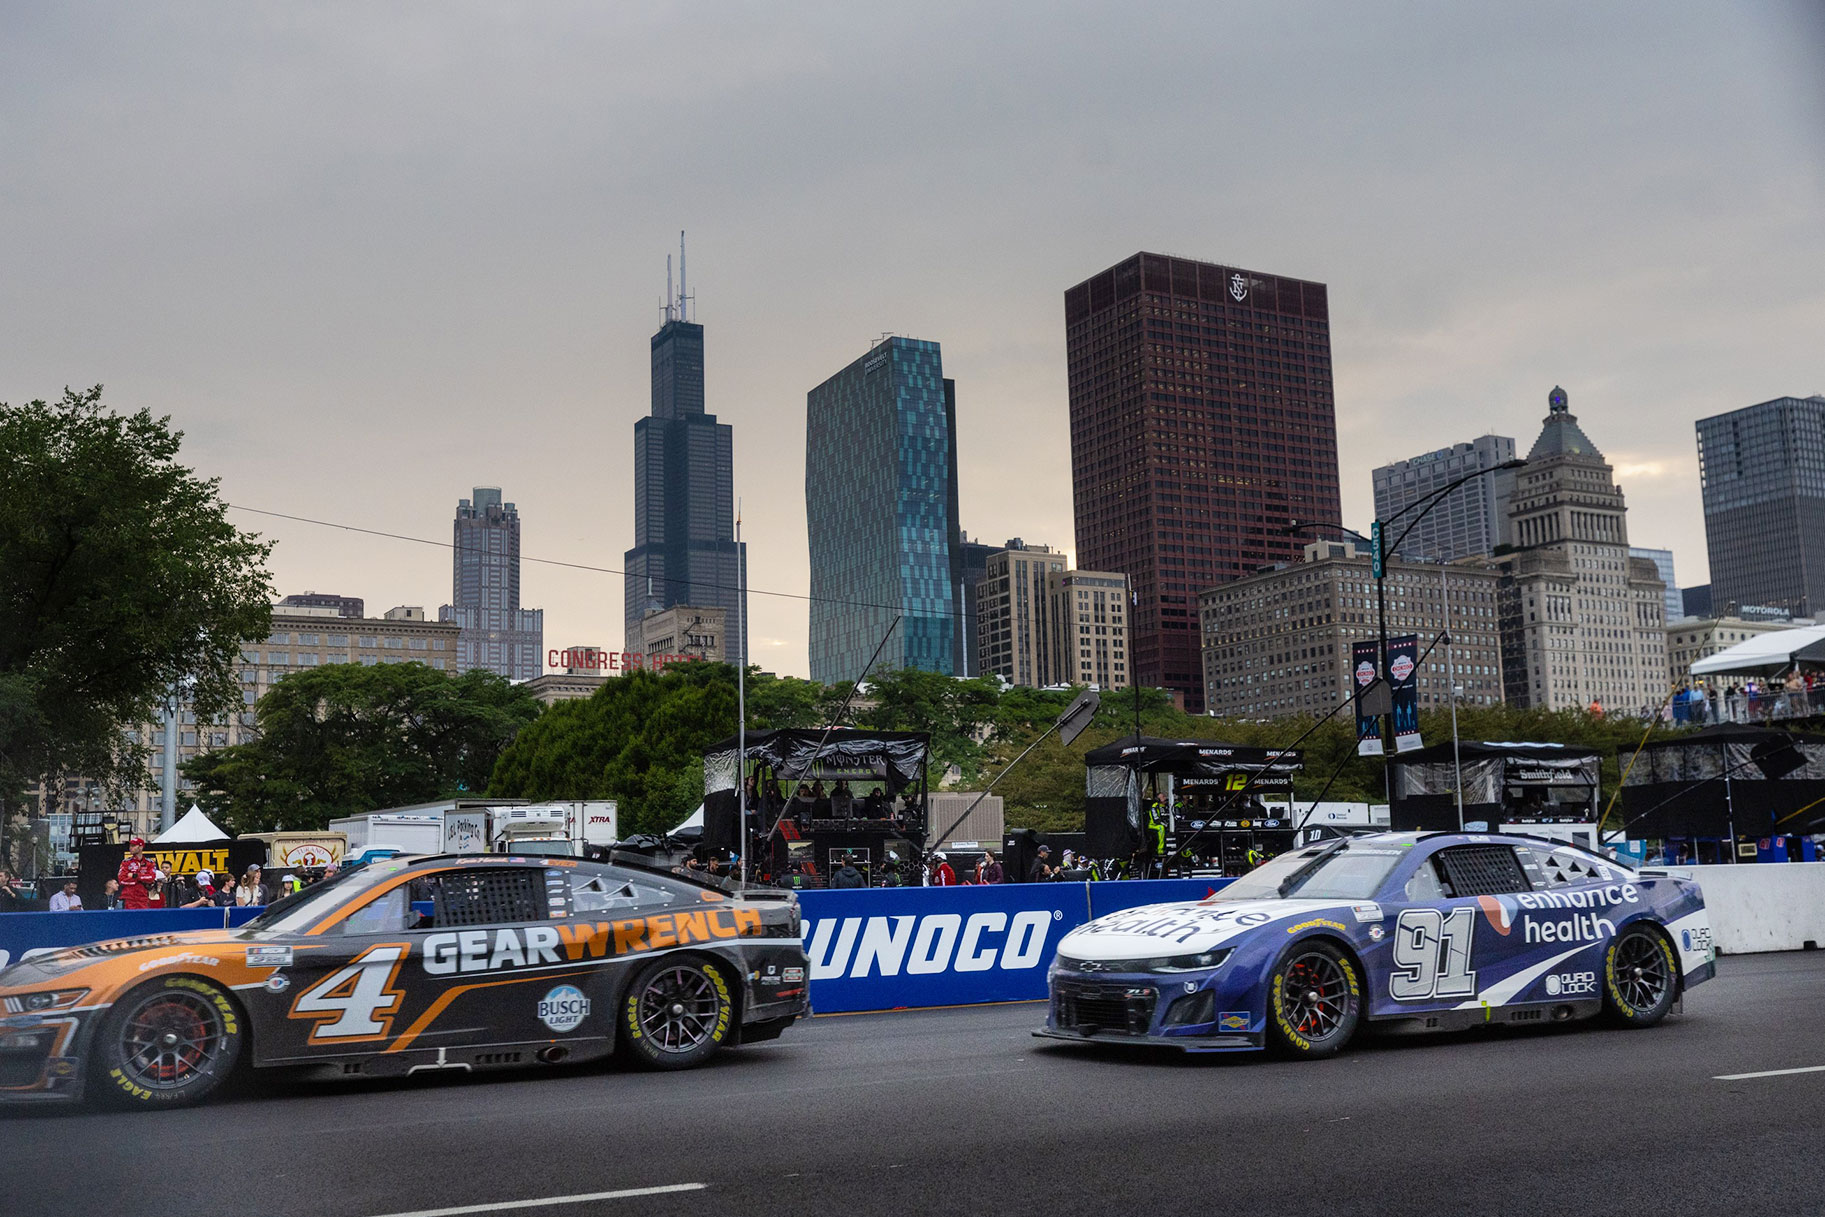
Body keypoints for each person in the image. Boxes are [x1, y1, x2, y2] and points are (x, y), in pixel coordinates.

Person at [117, 837, 159, 909]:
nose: (130, 848)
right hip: (128, 898)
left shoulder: (150, 862)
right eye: (130, 846)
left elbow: (151, 878)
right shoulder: (126, 862)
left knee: (143, 919)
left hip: (143, 898)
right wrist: (140, 880)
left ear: (141, 847)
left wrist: (135, 876)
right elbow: (121, 879)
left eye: (133, 846)